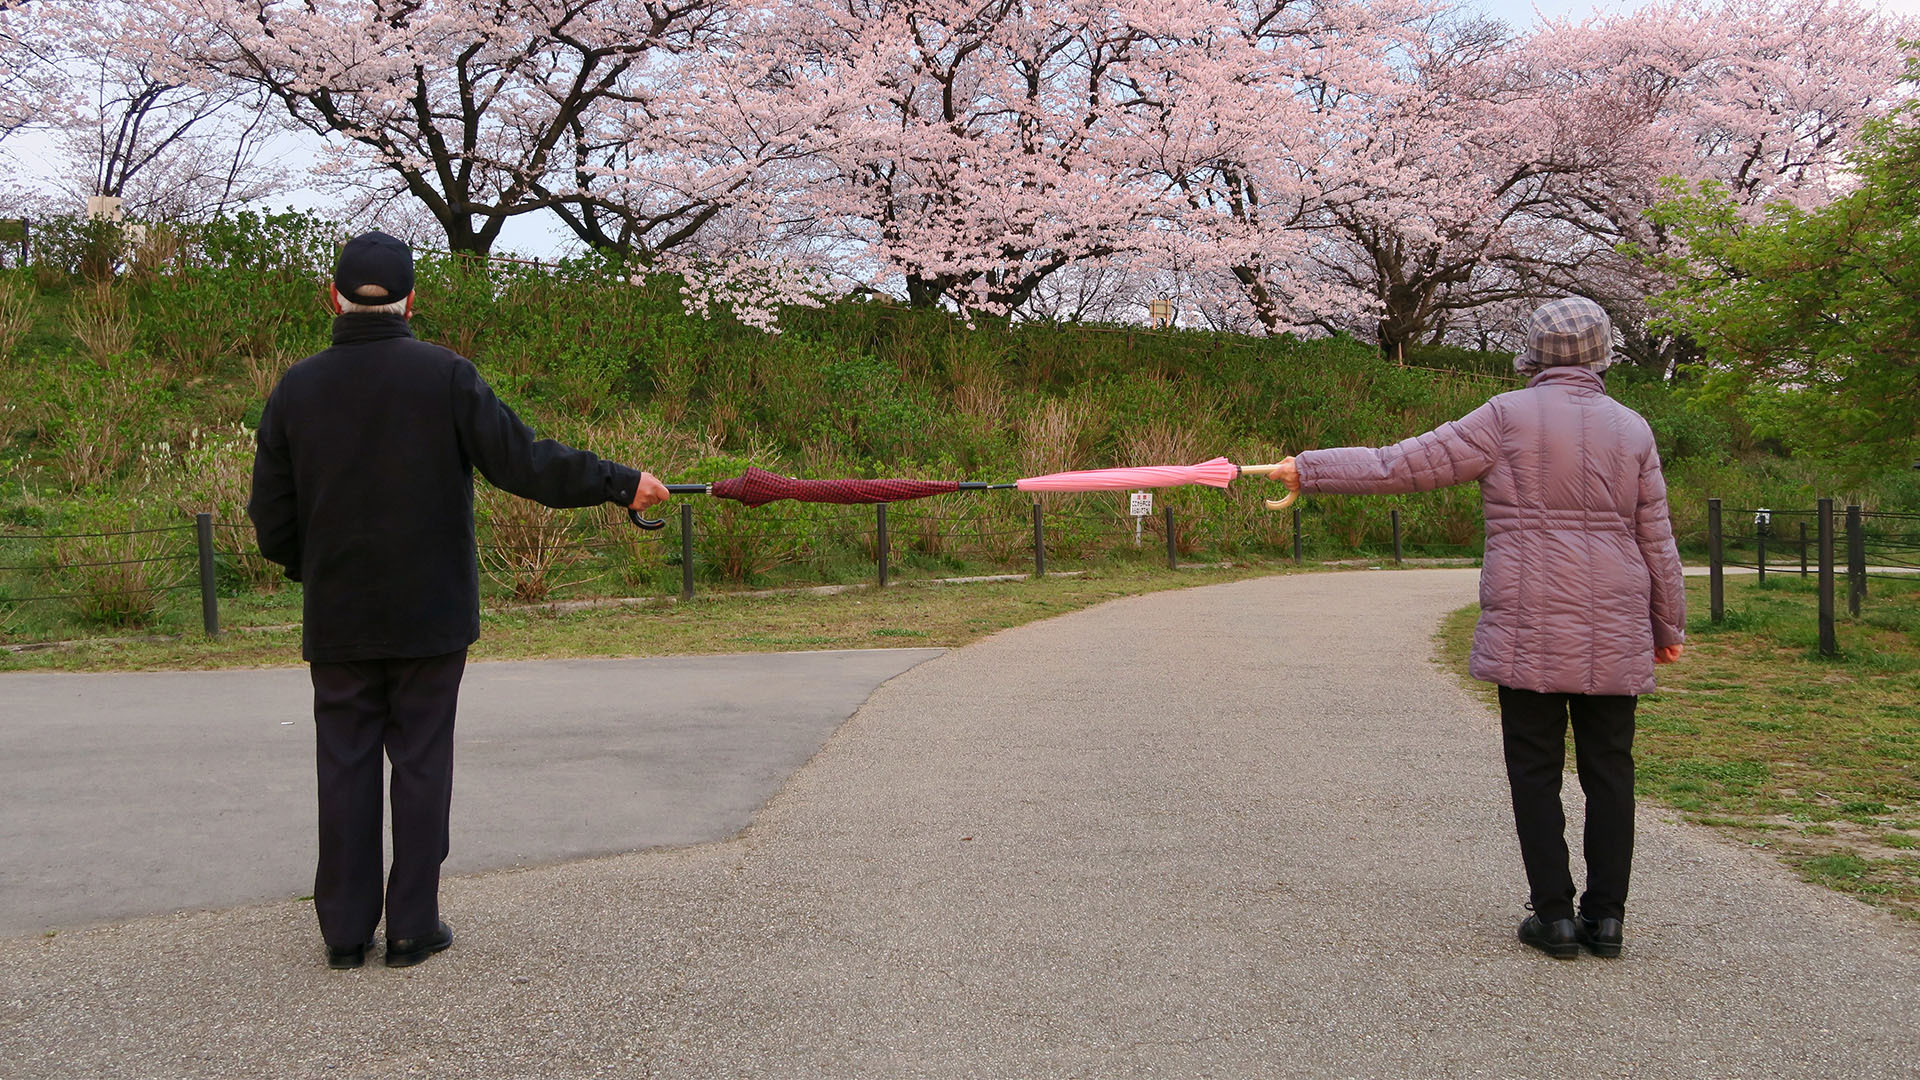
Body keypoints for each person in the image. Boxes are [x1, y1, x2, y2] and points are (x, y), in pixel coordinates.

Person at [248, 232, 670, 970]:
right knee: (421, 761)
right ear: (413, 300)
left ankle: (346, 933)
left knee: (343, 763)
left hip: (340, 613)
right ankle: (413, 925)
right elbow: (524, 462)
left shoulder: (296, 389)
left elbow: (272, 521)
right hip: (432, 611)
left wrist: (313, 569)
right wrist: (617, 479)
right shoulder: (445, 375)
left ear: (333, 298)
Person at [1272, 296, 1685, 960]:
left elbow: (1397, 466)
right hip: (1615, 616)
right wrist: (1668, 623)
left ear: (1534, 352)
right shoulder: (1632, 428)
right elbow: (1656, 539)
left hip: (1528, 613)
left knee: (1534, 768)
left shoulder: (1505, 417)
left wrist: (1311, 469)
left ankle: (1553, 917)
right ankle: (1606, 919)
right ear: (1604, 352)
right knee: (1611, 769)